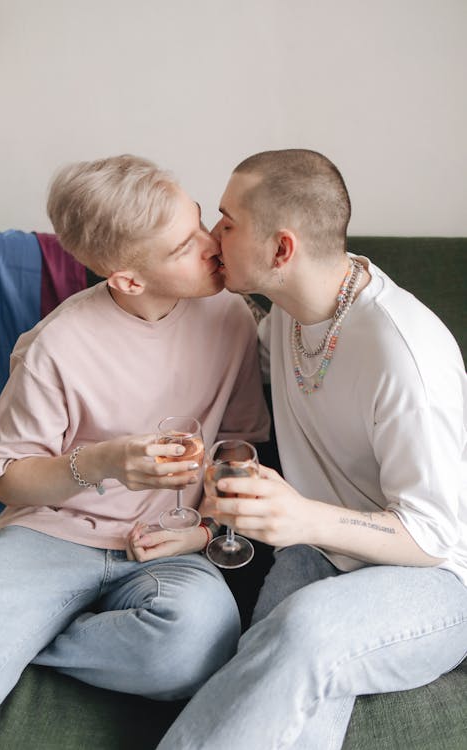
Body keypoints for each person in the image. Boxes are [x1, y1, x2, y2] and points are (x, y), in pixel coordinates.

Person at [156, 149, 467, 749]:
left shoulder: (405, 359)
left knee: (302, 631)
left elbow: (435, 538)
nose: (213, 235)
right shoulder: (290, 315)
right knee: (271, 662)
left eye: (227, 220)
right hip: (323, 554)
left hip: (442, 580)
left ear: (281, 250)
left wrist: (299, 516)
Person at [0, 154, 270, 750]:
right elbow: (8, 480)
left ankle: (32, 637)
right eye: (185, 247)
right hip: (49, 538)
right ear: (128, 279)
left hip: (168, 545)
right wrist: (104, 462)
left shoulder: (232, 317)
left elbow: (243, 452)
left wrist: (205, 530)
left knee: (198, 645)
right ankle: (11, 629)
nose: (213, 245)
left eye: (202, 223)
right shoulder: (55, 346)